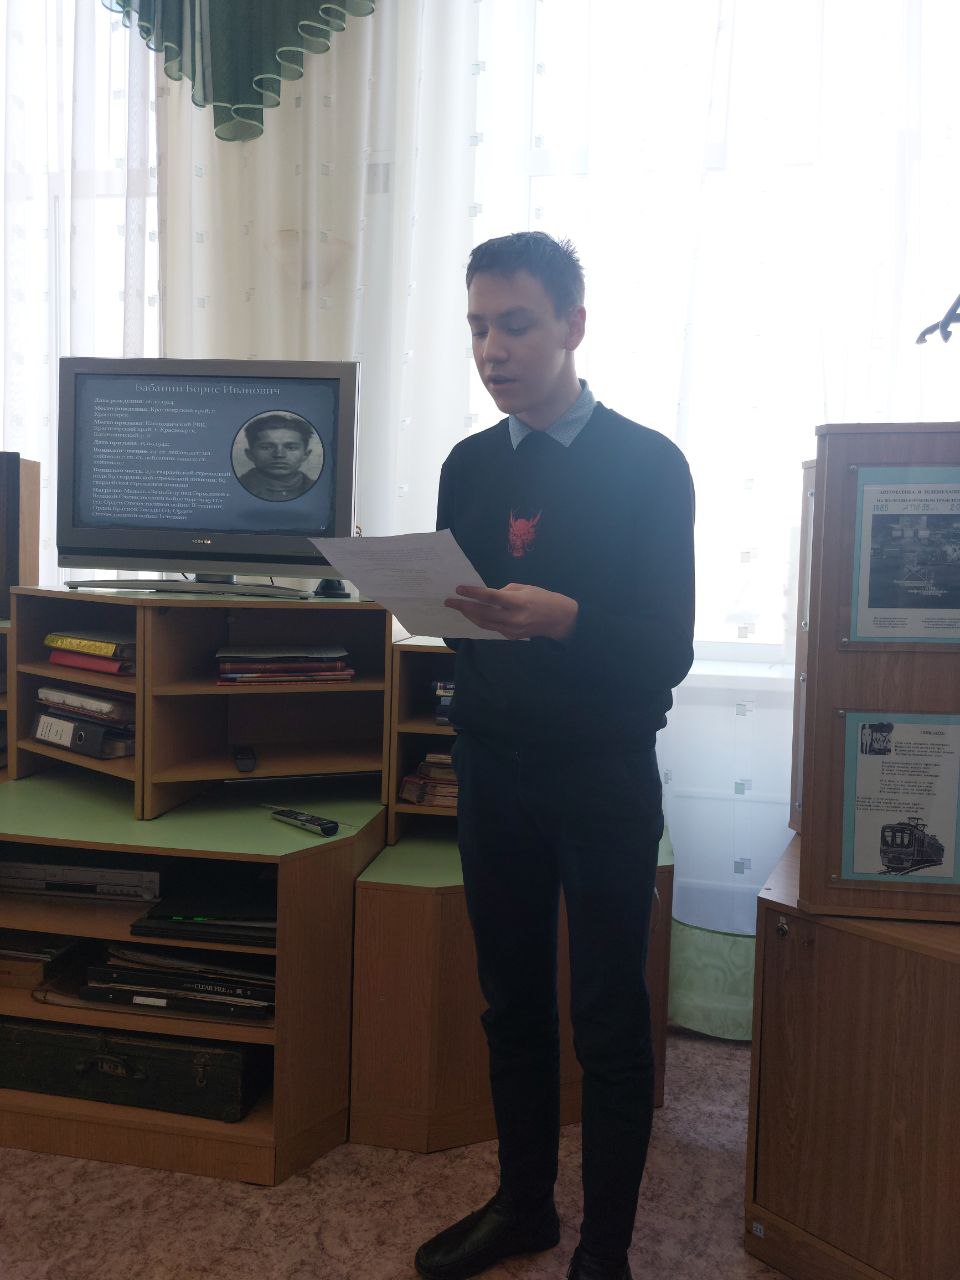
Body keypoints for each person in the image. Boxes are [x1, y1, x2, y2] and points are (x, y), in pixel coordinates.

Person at [414, 232, 695, 1280]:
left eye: (516, 324)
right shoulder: (469, 465)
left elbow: (666, 650)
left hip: (602, 773)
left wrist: (567, 618)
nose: (492, 348)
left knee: (609, 1015)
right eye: (478, 327)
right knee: (512, 1004)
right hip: (493, 768)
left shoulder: (649, 464)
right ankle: (524, 1206)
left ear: (574, 325)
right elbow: (463, 621)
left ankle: (605, 1249)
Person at [236, 411, 320, 501]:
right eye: (266, 447)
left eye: (291, 448)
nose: (279, 455)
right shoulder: (236, 488)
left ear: (305, 454)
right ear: (250, 454)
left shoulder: (318, 491)